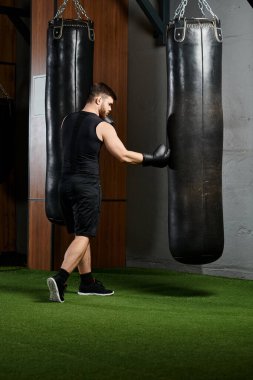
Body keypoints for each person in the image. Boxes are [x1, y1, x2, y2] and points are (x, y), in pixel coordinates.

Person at [47, 82, 169, 303]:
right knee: (84, 235)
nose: (111, 109)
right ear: (98, 100)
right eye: (109, 104)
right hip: (86, 186)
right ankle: (61, 278)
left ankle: (87, 282)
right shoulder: (103, 126)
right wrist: (154, 160)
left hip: (64, 185)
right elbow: (122, 155)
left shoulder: (66, 120)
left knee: (80, 235)